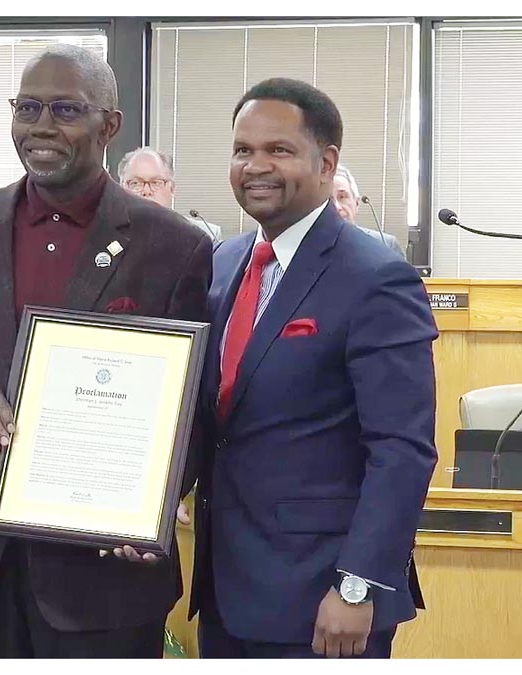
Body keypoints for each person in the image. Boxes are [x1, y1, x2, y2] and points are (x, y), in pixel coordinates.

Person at [0, 45, 212, 659]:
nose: (40, 126)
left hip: (105, 564)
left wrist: (158, 498)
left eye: (65, 109)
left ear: (109, 125)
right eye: (27, 107)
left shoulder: (173, 246)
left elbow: (191, 395)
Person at [188, 77, 438, 659]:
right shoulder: (224, 263)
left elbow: (402, 449)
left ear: (326, 163)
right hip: (227, 586)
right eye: (242, 150)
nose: (255, 166)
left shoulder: (375, 276)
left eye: (278, 150)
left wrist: (358, 585)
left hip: (325, 598)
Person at [118, 147, 223, 241]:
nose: (146, 191)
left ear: (172, 189)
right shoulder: (104, 233)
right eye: (135, 183)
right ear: (121, 188)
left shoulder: (206, 235)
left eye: (156, 183)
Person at [332, 163, 406, 258]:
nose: (336, 207)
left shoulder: (386, 244)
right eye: (328, 199)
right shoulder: (310, 244)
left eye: (342, 197)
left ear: (357, 203)